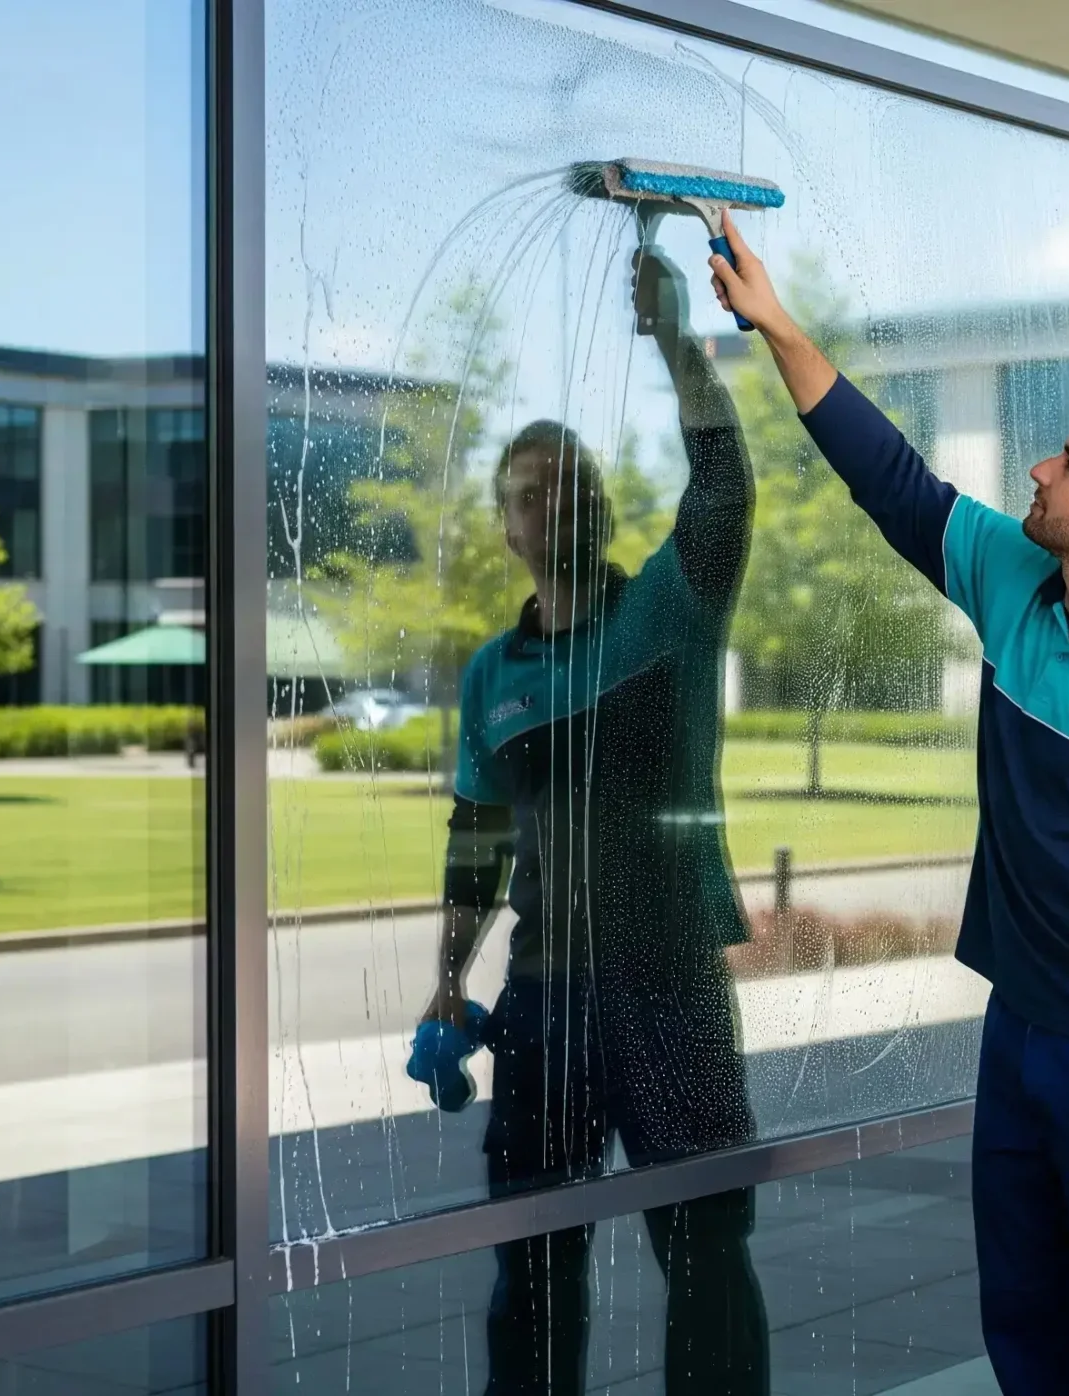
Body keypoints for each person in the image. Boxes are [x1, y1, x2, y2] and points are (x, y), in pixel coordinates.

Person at [704, 212, 1069, 1393]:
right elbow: (888, 475)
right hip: (1020, 1032)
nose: (1039, 467)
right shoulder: (1016, 580)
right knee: (1026, 1330)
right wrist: (775, 321)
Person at [424, 247, 769, 1396]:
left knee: (706, 1251)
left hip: (670, 980)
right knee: (530, 1263)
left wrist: (676, 342)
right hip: (544, 993)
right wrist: (444, 981)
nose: (551, 503)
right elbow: (475, 843)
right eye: (528, 490)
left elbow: (724, 495)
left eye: (571, 483)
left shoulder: (667, 610)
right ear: (505, 525)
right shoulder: (492, 676)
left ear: (601, 506)